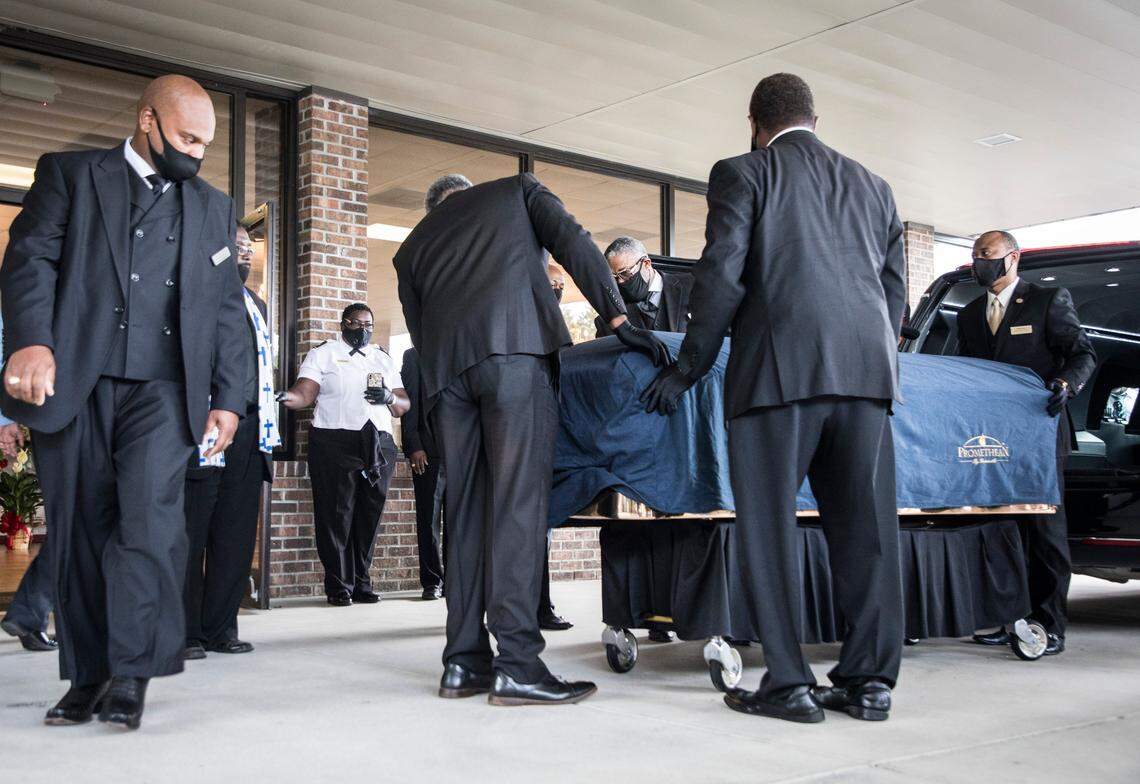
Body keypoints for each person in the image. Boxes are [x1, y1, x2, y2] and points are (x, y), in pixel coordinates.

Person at [643, 73, 907, 723]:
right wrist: (876, 358)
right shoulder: (874, 186)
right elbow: (895, 291)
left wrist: (689, 366)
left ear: (755, 122)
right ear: (813, 118)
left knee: (769, 531)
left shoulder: (744, 172)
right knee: (867, 533)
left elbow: (722, 279)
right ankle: (869, 683)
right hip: (867, 377)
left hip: (778, 375)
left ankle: (787, 683)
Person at [0, 74, 248, 730]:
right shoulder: (71, 176)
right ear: (147, 121)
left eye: (206, 142)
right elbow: (30, 261)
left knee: (149, 523)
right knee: (80, 532)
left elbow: (226, 311)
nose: (196, 153)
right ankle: (87, 677)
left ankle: (131, 673)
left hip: (166, 392)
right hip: (77, 382)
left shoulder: (213, 208)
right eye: (186, 137)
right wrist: (30, 342)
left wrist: (230, 398)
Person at [395, 172, 666, 706]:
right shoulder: (516, 191)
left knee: (466, 515)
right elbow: (574, 242)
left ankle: (463, 662)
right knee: (518, 506)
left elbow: (422, 335)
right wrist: (616, 317)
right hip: (515, 357)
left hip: (449, 382)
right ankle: (518, 663)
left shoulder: (412, 249)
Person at [957, 230, 1095, 656]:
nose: (979, 261)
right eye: (975, 254)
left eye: (987, 254)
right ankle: (1006, 617)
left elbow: (1083, 354)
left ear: (1012, 257)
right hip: (991, 441)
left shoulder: (1047, 301)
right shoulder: (970, 314)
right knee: (1002, 529)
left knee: (1044, 530)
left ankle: (1049, 624)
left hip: (1040, 434)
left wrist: (1067, 384)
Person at [182, 225, 279, 660]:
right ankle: (182, 632)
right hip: (205, 426)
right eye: (235, 247)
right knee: (191, 533)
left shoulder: (256, 304)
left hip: (249, 432)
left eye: (247, 249)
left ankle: (220, 627)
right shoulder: (195, 292)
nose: (243, 255)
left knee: (235, 536)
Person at [278, 303, 409, 607]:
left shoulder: (382, 358)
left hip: (378, 442)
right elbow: (305, 392)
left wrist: (388, 396)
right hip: (334, 441)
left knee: (369, 515)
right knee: (336, 515)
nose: (363, 330)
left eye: (368, 325)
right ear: (343, 324)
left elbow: (402, 404)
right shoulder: (323, 353)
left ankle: (362, 582)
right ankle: (338, 585)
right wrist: (286, 397)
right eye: (356, 323)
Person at [0, 309, 56, 652]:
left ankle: (29, 611)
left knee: (81, 522)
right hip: (60, 417)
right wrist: (5, 418)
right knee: (80, 522)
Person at [537, 262, 573, 632]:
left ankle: (541, 605)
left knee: (541, 531)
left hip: (552, 442)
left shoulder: (560, 331)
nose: (557, 291)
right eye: (552, 284)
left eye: (561, 285)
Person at [400, 346, 445, 601]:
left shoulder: (467, 349)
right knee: (428, 520)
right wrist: (414, 444)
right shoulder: (414, 355)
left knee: (461, 522)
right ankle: (432, 582)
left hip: (464, 451)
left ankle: (457, 582)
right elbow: (410, 403)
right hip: (429, 451)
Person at [594, 236, 692, 337]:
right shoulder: (608, 322)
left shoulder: (694, 287)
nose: (620, 281)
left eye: (625, 273)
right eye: (614, 277)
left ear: (646, 263)